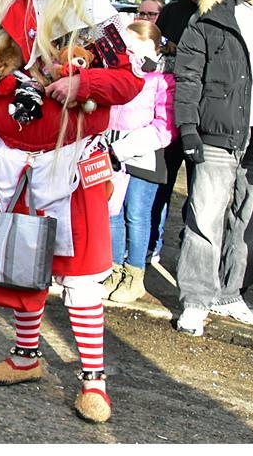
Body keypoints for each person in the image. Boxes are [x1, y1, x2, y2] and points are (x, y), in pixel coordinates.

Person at [0, 0, 144, 425]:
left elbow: (129, 81)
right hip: (14, 164)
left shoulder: (92, 14)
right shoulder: (1, 13)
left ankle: (94, 381)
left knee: (81, 277)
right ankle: (25, 357)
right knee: (24, 264)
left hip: (73, 163)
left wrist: (83, 85)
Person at [171, 0, 253, 335]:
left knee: (248, 224)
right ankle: (195, 300)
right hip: (216, 133)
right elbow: (188, 78)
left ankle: (230, 293)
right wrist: (188, 129)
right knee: (204, 219)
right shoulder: (209, 18)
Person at [149, 0, 223, 260]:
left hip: (206, 119)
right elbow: (157, 52)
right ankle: (149, 247)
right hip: (168, 113)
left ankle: (192, 253)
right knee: (159, 187)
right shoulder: (175, 9)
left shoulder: (224, 12)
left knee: (201, 194)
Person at [103, 20, 176, 302]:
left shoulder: (163, 79)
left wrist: (128, 146)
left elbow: (165, 125)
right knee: (113, 212)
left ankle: (134, 274)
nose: (132, 52)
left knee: (137, 214)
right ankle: (113, 269)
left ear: (156, 48)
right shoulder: (118, 73)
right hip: (111, 153)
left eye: (139, 46)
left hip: (143, 154)